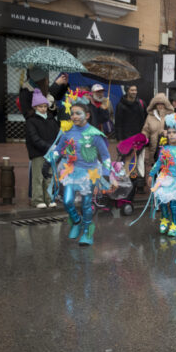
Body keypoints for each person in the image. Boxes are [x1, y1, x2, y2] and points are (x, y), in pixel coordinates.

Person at [46, 93, 111, 246]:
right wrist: (48, 163)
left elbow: (105, 156)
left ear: (87, 115)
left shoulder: (95, 135)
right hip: (71, 172)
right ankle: (77, 221)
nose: (74, 116)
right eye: (72, 113)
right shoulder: (67, 132)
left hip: (89, 174)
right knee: (67, 201)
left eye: (78, 113)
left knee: (86, 204)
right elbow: (58, 150)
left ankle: (87, 231)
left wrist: (107, 175)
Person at [24, 88, 59, 208]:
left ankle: (49, 199)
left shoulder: (51, 119)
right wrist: (49, 147)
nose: (43, 109)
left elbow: (57, 134)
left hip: (50, 153)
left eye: (45, 106)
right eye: (40, 107)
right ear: (35, 107)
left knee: (49, 177)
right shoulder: (31, 121)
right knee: (38, 177)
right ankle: (37, 200)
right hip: (38, 153)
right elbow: (34, 139)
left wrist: (57, 145)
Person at [141, 93, 174, 183]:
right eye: (158, 104)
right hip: (154, 148)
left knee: (166, 171)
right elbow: (146, 130)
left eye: (162, 103)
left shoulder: (171, 116)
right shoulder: (150, 116)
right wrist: (143, 137)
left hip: (167, 149)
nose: (160, 106)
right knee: (155, 169)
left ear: (166, 104)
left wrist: (168, 133)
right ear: (154, 105)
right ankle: (155, 191)